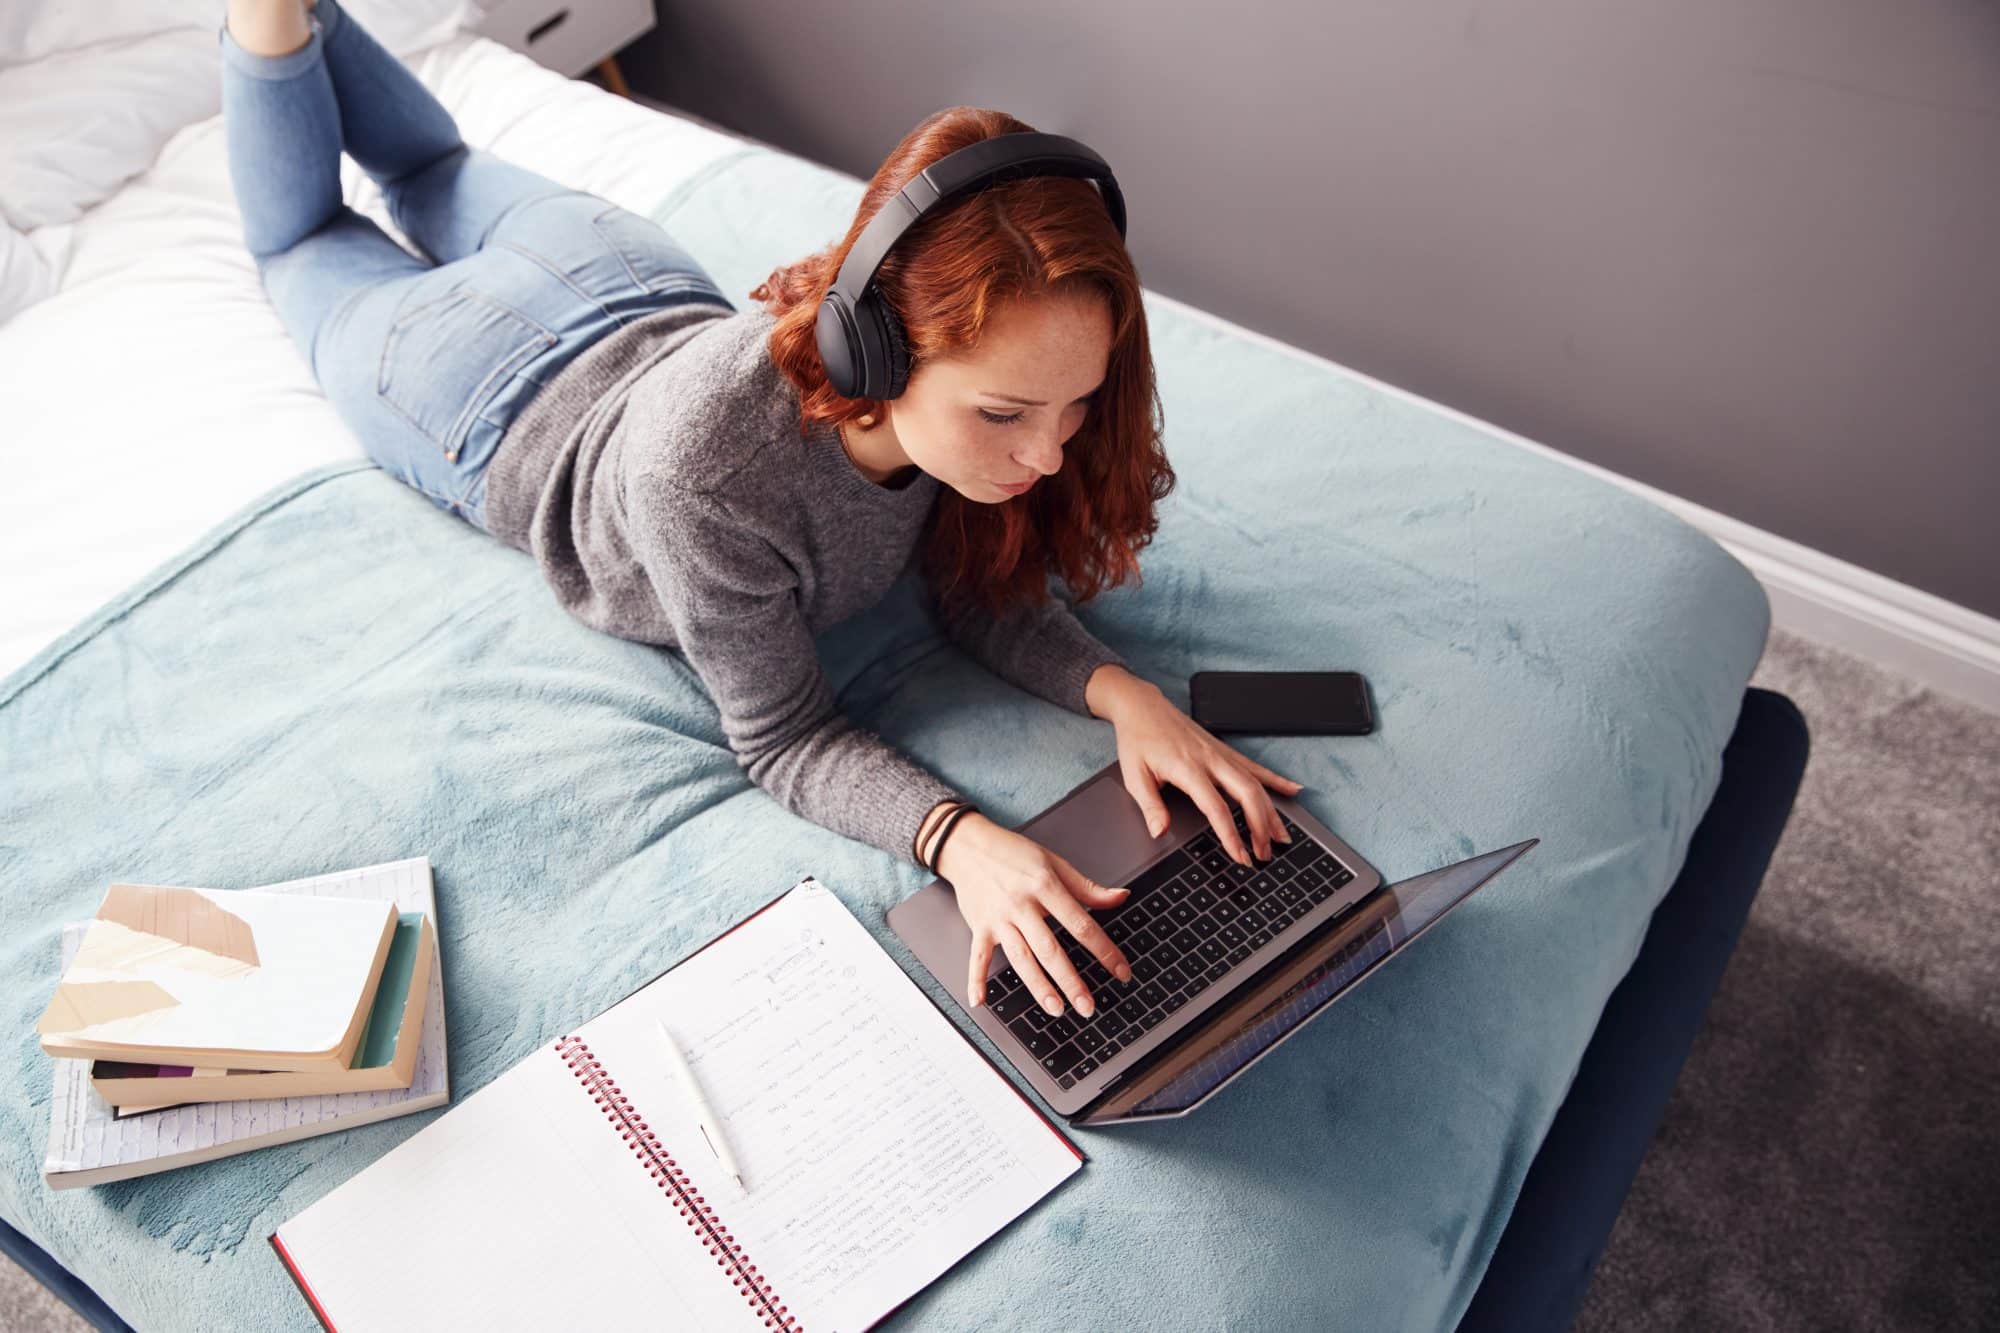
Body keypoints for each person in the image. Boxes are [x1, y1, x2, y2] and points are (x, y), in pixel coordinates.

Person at [219, 0, 1307, 1022]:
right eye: (1006, 414)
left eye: (1074, 405)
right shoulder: (705, 484)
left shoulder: (986, 408)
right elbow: (783, 735)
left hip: (622, 274)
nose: (1046, 451)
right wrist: (961, 840)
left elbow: (974, 585)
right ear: (872, 348)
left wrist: (1126, 698)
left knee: (432, 166)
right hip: (479, 389)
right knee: (298, 240)